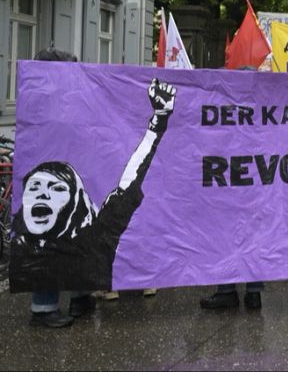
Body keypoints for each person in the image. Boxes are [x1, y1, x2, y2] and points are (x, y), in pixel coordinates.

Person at [14, 50, 176, 326]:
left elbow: (128, 180)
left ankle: (81, 296)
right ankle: (44, 308)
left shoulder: (79, 101)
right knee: (43, 241)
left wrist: (159, 119)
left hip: (84, 182)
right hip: (66, 180)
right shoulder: (39, 103)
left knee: (79, 237)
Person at [200, 66, 266, 310]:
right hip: (256, 186)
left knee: (226, 236)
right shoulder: (266, 108)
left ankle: (227, 290)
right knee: (253, 237)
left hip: (227, 185)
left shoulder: (222, 107)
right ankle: (253, 293)